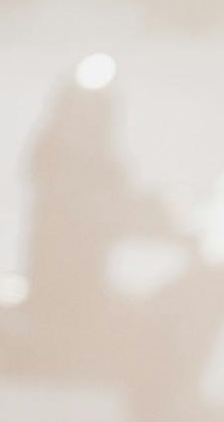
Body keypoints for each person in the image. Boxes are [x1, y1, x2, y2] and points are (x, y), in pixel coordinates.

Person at [18, 54, 183, 382]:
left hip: (88, 288)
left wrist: (166, 215)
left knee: (158, 315)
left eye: (97, 114)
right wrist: (152, 219)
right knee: (146, 334)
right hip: (61, 296)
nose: (90, 124)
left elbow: (120, 206)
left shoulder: (102, 167)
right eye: (83, 113)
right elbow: (98, 210)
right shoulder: (57, 164)